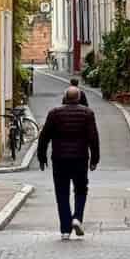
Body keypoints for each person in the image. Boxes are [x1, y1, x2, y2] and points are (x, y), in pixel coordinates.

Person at [37, 84, 99, 239]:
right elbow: (93, 138)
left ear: (64, 98)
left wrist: (41, 156)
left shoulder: (54, 114)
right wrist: (94, 159)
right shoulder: (87, 114)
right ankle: (77, 217)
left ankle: (65, 229)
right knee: (80, 189)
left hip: (59, 160)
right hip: (80, 159)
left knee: (61, 193)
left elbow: (44, 137)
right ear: (79, 98)